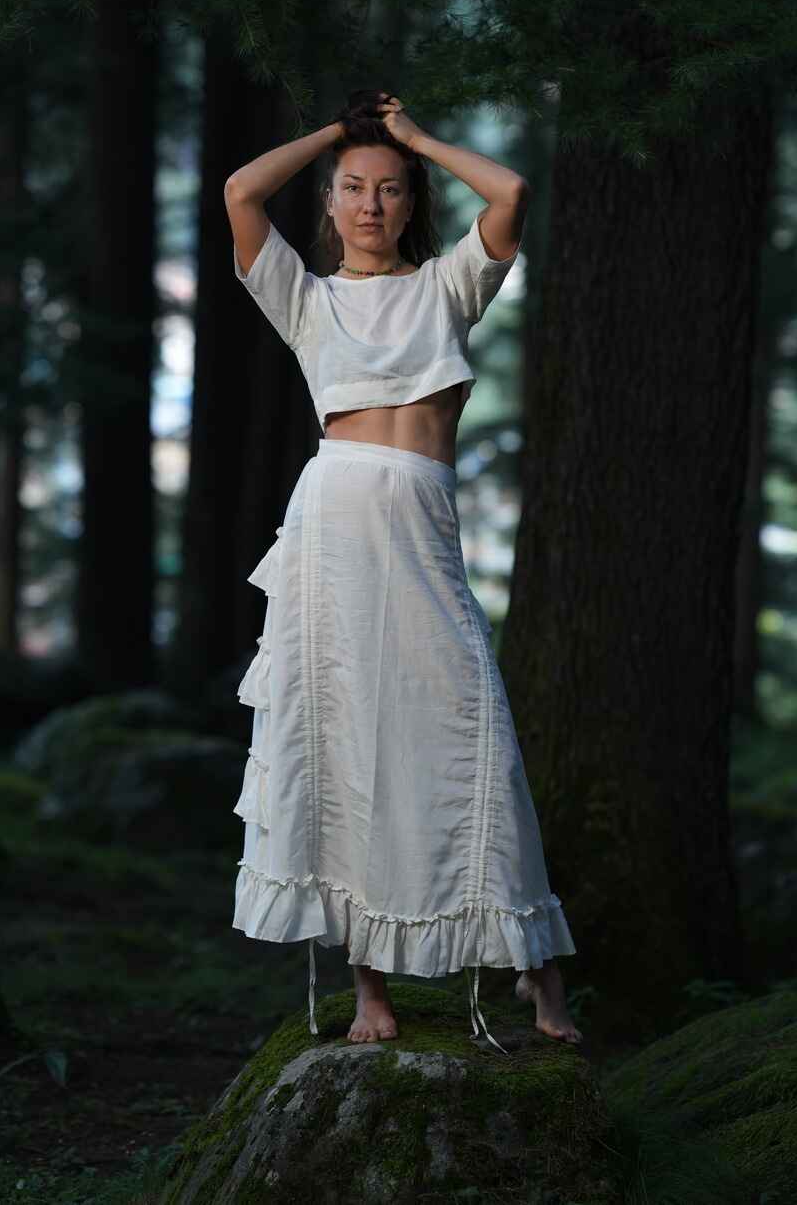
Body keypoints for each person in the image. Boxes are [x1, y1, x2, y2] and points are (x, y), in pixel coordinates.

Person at [226, 90, 582, 1051]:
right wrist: (333, 138)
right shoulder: (308, 297)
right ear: (332, 203)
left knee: (479, 739)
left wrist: (413, 138)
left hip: (420, 533)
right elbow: (240, 194)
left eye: (389, 190)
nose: (371, 204)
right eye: (353, 189)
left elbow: (509, 191)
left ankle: (535, 972)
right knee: (341, 749)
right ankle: (368, 991)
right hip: (331, 532)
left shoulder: (447, 288)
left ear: (409, 201)